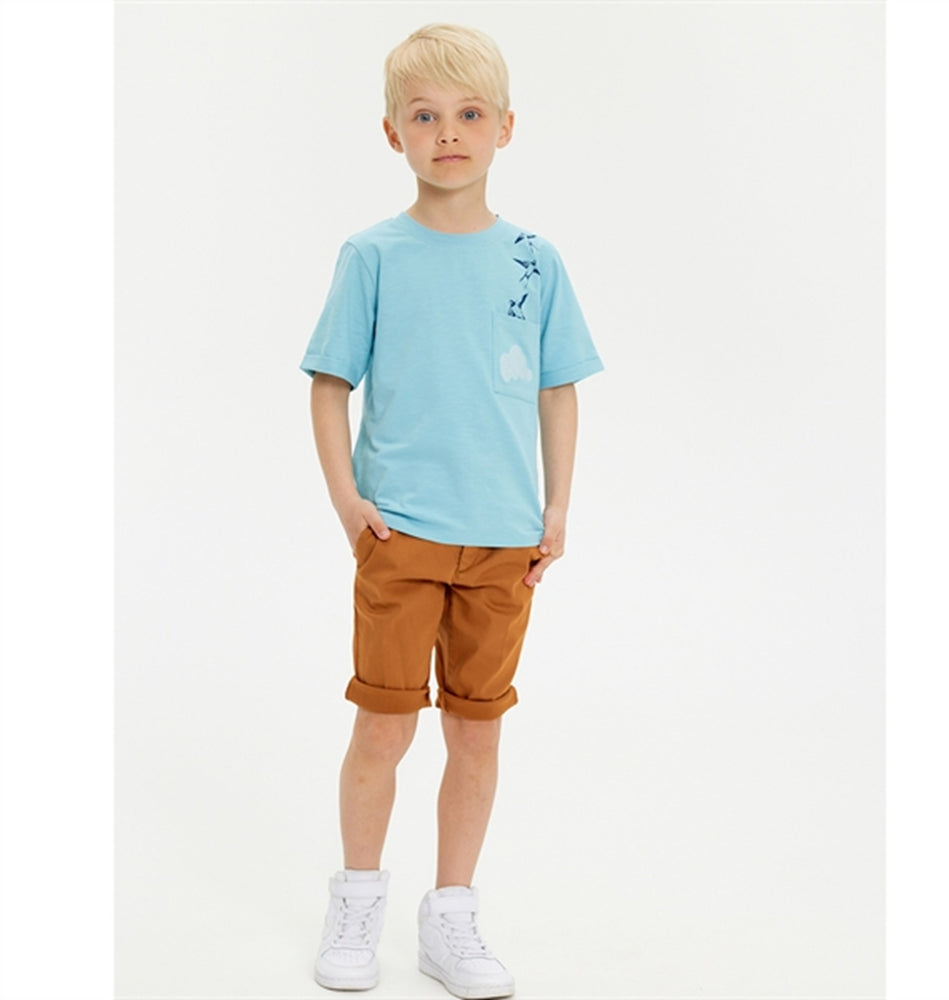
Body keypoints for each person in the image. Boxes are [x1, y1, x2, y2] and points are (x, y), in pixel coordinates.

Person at [300, 23, 603, 999]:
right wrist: (348, 503)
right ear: (392, 133)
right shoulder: (372, 255)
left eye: (469, 114)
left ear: (505, 127)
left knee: (477, 731)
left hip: (504, 542)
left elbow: (558, 387)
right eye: (424, 116)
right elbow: (329, 383)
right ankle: (357, 898)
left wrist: (557, 507)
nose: (448, 134)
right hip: (399, 535)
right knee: (383, 728)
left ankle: (452, 915)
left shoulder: (535, 260)